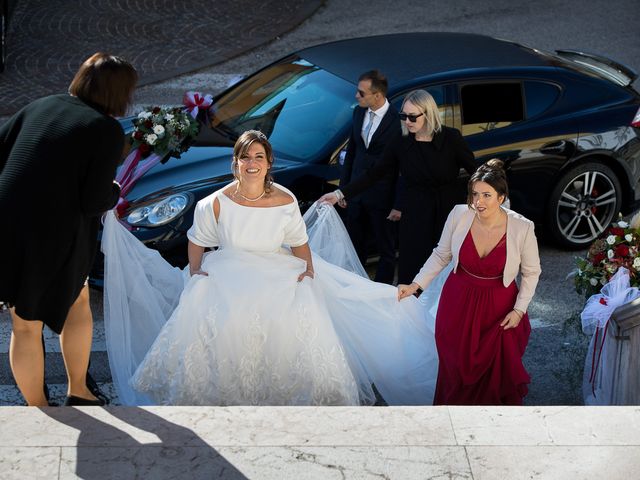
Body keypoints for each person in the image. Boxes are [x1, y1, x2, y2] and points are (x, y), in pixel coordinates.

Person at [103, 130, 440, 406]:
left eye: (258, 157)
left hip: (275, 270)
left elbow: (297, 239)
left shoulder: (285, 199)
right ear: (235, 162)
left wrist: (308, 268)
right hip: (228, 271)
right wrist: (195, 273)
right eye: (245, 157)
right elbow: (197, 240)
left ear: (268, 163)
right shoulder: (214, 203)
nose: (251, 163)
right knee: (223, 329)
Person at [0, 52, 138, 406]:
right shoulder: (105, 129)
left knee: (24, 323)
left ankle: (39, 411)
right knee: (77, 302)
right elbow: (95, 201)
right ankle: (79, 391)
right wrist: (116, 190)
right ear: (119, 92)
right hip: (55, 233)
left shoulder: (40, 105)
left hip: (7, 226)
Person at [398, 159, 542, 405]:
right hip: (457, 303)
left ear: (501, 197)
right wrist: (416, 285)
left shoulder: (522, 227)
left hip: (499, 310)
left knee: (494, 373)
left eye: (487, 195)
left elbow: (531, 272)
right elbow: (442, 254)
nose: (479, 201)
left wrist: (519, 310)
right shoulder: (459, 215)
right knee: (454, 366)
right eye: (475, 194)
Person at [321, 89, 476, 284]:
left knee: (446, 273)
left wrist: (489, 199)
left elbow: (476, 172)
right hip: (415, 215)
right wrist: (339, 193)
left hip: (447, 213)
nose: (407, 121)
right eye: (403, 116)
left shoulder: (451, 138)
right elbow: (375, 173)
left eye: (412, 117)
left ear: (428, 114)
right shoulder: (401, 141)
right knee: (412, 272)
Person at [339, 70, 401, 284]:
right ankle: (355, 286)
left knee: (385, 249)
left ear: (377, 96)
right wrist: (344, 189)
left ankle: (381, 292)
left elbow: (397, 167)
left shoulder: (396, 121)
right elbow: (352, 153)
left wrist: (397, 203)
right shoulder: (358, 112)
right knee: (355, 246)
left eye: (361, 93)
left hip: (381, 197)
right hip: (356, 194)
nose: (357, 96)